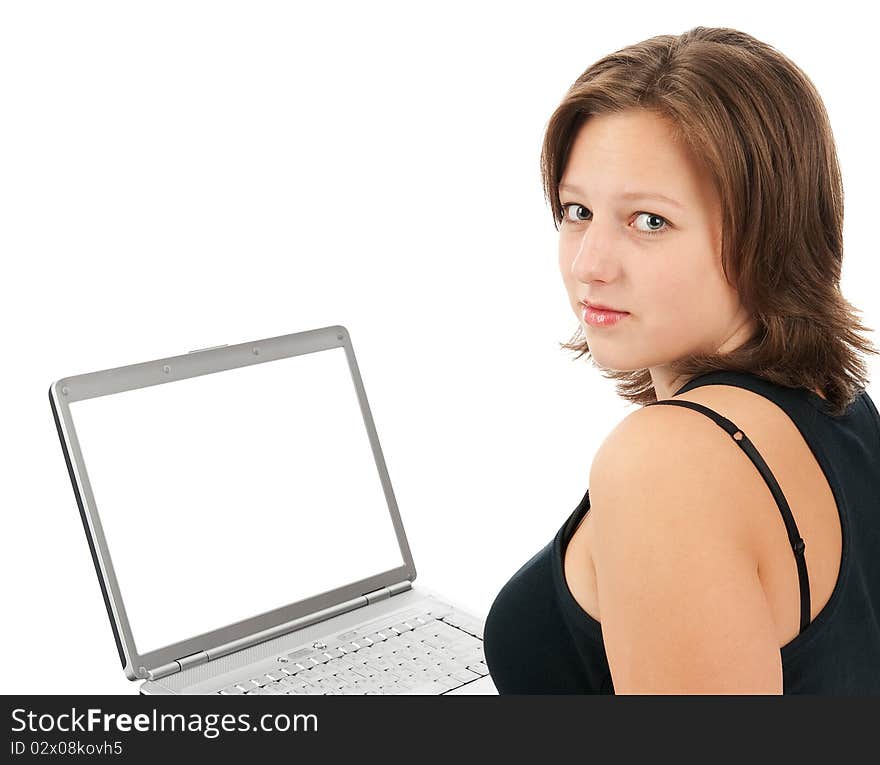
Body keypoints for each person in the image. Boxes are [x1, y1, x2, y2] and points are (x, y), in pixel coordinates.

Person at [482, 26, 880, 694]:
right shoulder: (840, 403)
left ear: (767, 233)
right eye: (577, 210)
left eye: (649, 221)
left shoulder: (665, 461)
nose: (589, 264)